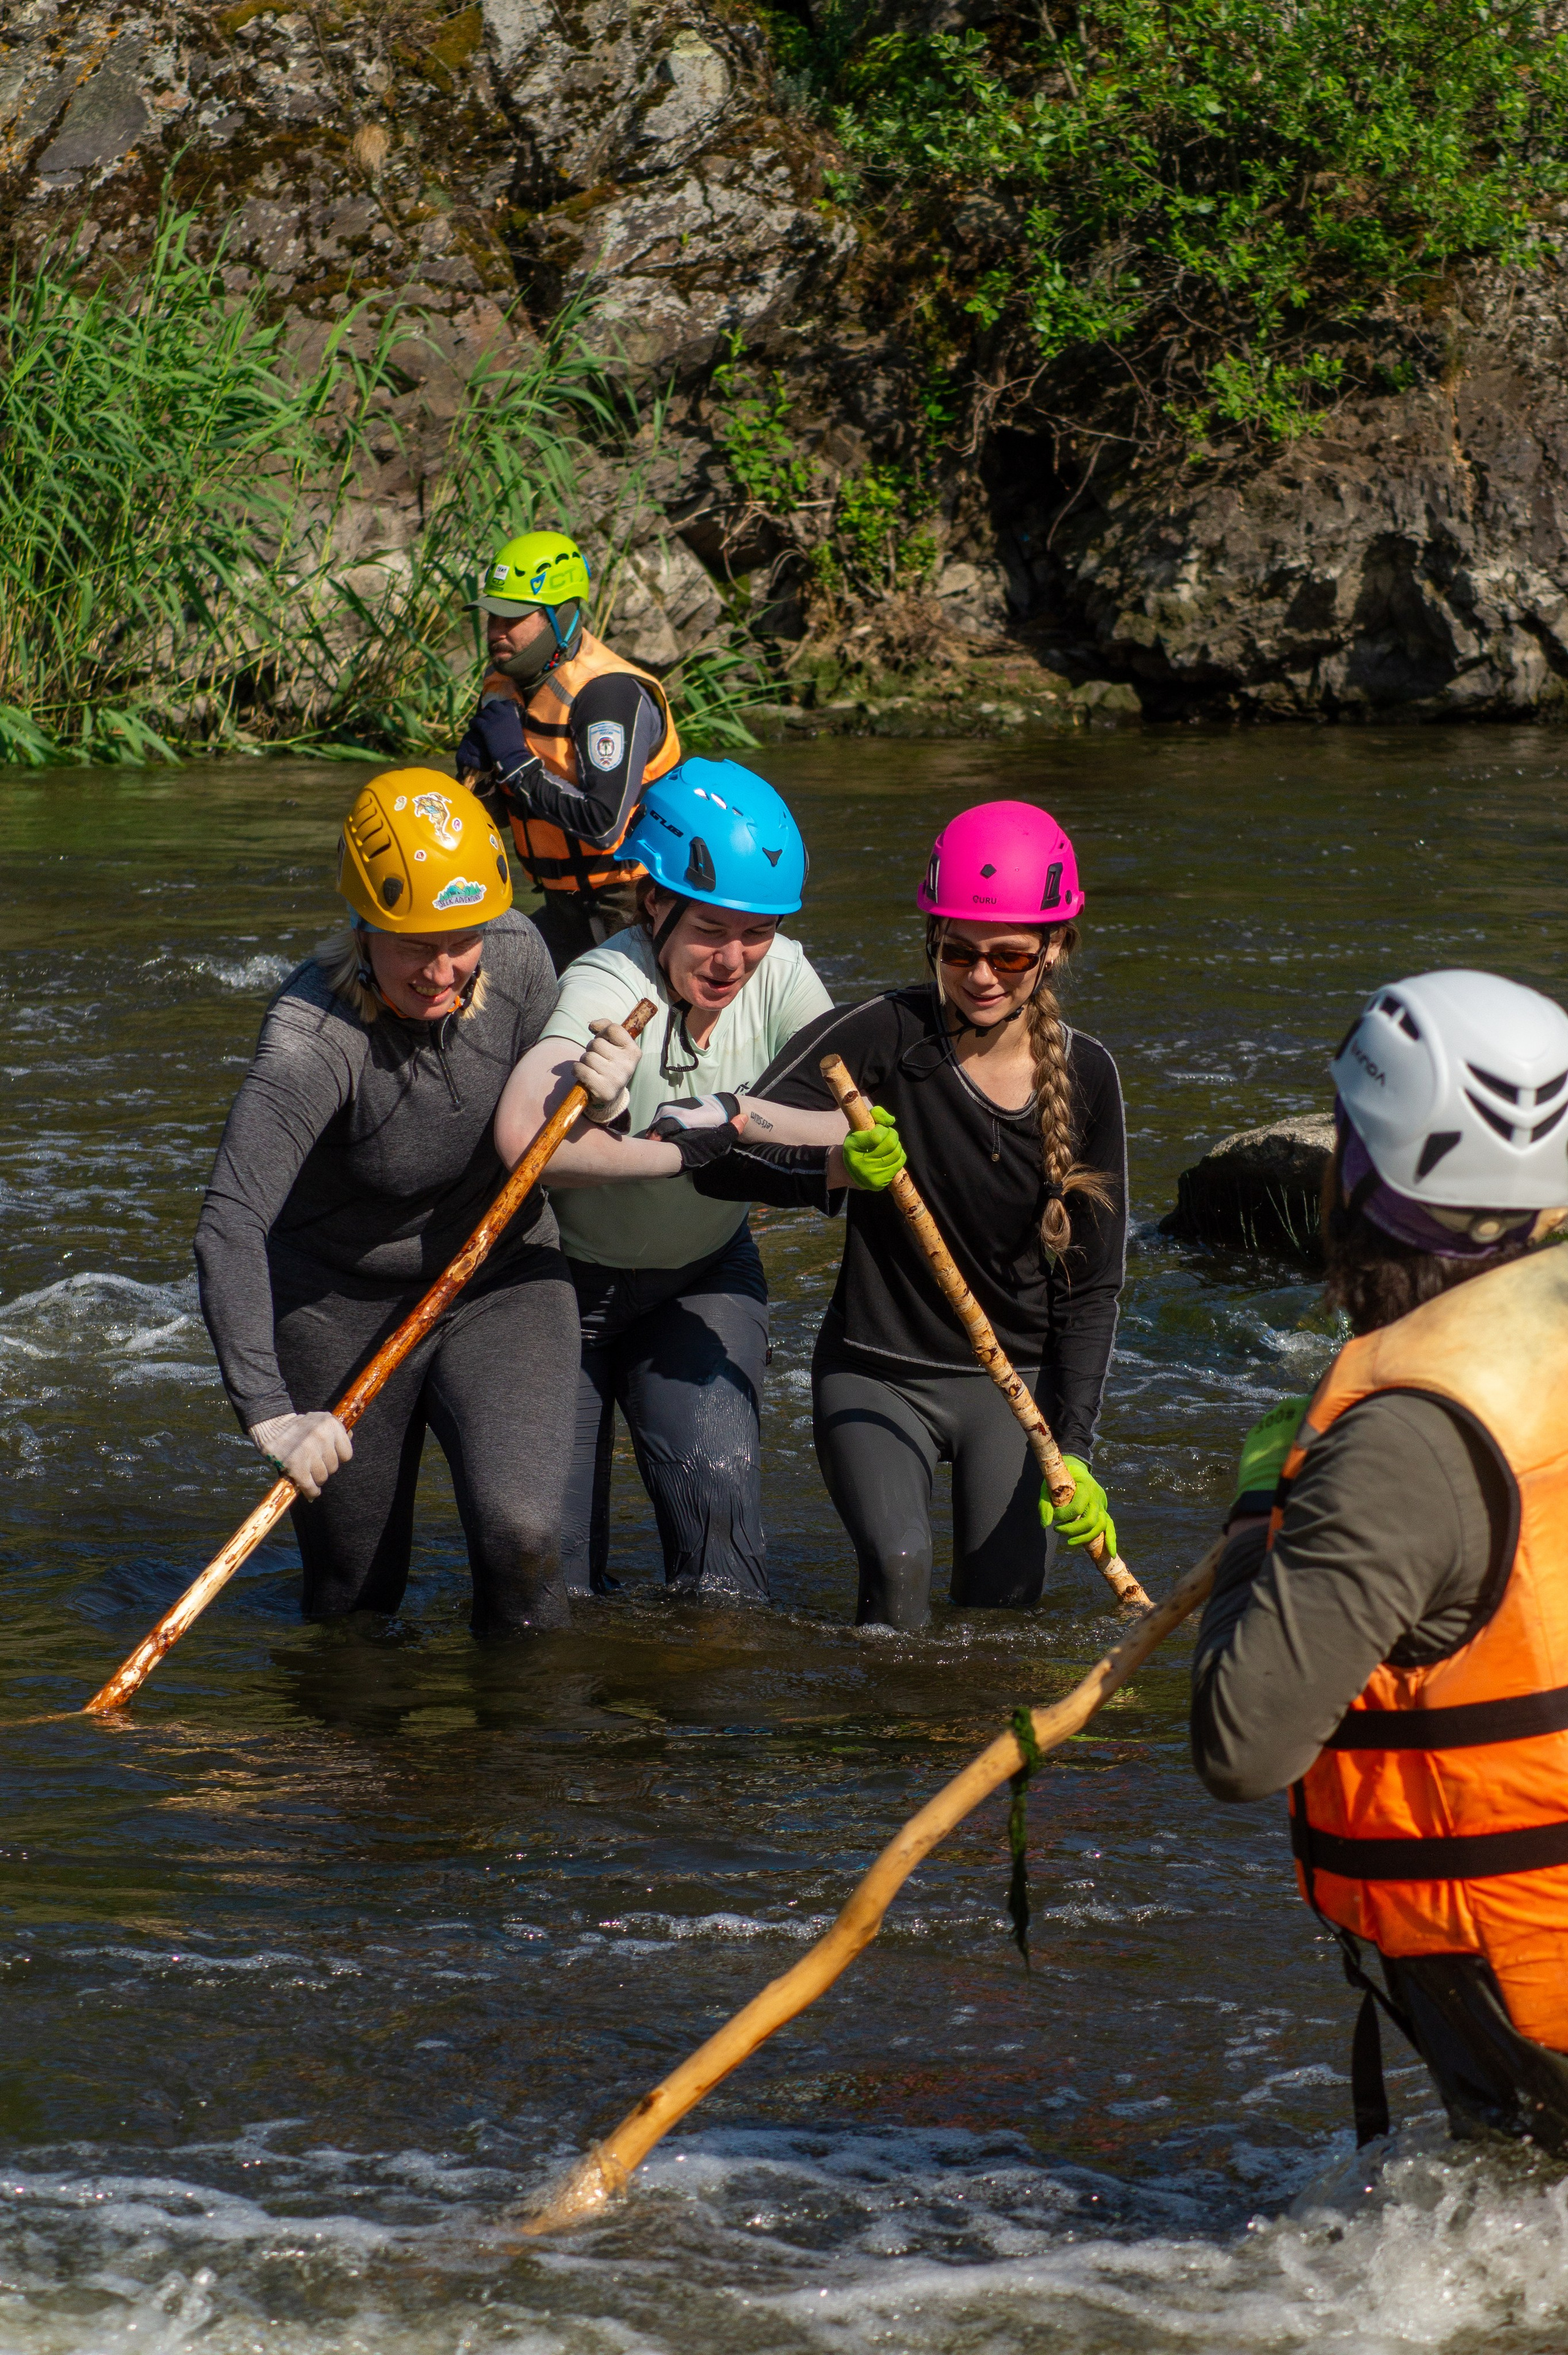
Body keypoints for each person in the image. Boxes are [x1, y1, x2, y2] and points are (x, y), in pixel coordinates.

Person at [1191, 969, 1568, 2153]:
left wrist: (1262, 1508)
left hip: (1529, 1969)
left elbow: (1243, 1745)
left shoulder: (1402, 1442)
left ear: (1362, 1171)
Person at [194, 770, 601, 1635]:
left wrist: (604, 1095)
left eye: (462, 940)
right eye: (415, 944)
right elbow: (230, 1223)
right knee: (355, 1588)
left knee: (524, 1539)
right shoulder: (312, 1039)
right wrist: (270, 1415)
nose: (443, 970)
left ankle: (528, 1727)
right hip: (337, 1305)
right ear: (363, 926)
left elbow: (562, 1121)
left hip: (500, 1277)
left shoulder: (518, 953)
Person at [723, 799, 1128, 1632]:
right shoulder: (880, 1035)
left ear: (1054, 948)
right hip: (878, 1370)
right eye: (957, 951)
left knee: (1003, 1618)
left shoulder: (1089, 1074)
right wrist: (835, 1169)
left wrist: (1075, 1450)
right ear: (933, 941)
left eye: (1010, 955)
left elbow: (1091, 1290)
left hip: (1015, 1387)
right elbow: (725, 1156)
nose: (981, 976)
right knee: (899, 1570)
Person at [492, 757, 832, 1603]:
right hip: (561, 1286)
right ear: (655, 903)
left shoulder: (784, 972)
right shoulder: (606, 981)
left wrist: (734, 1117)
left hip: (702, 1274)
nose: (734, 959)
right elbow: (523, 1137)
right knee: (550, 1574)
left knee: (722, 1537)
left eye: (756, 932)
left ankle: (712, 1682)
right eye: (711, 929)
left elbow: (854, 1116)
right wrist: (656, 1139)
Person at [455, 528, 682, 973]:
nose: (497, 632)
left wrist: (515, 764)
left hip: (633, 905)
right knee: (480, 978)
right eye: (492, 618)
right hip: (564, 904)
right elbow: (495, 820)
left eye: (513, 618)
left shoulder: (607, 696)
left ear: (561, 617)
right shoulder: (503, 688)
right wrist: (477, 779)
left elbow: (603, 824)